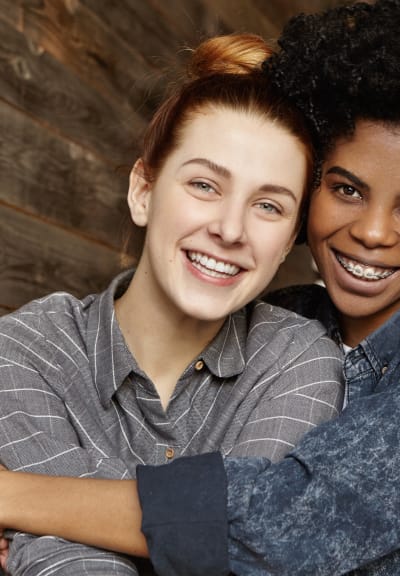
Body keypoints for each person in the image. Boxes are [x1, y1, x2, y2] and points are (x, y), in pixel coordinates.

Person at [0, 0, 400, 574]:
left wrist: (18, 497)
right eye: (348, 190)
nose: (374, 232)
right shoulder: (287, 315)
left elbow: (282, 528)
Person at [0, 33, 345, 575]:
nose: (230, 229)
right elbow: (62, 559)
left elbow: (253, 545)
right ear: (144, 190)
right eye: (205, 185)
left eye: (268, 206)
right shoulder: (29, 350)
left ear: (287, 245)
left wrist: (13, 496)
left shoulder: (298, 362)